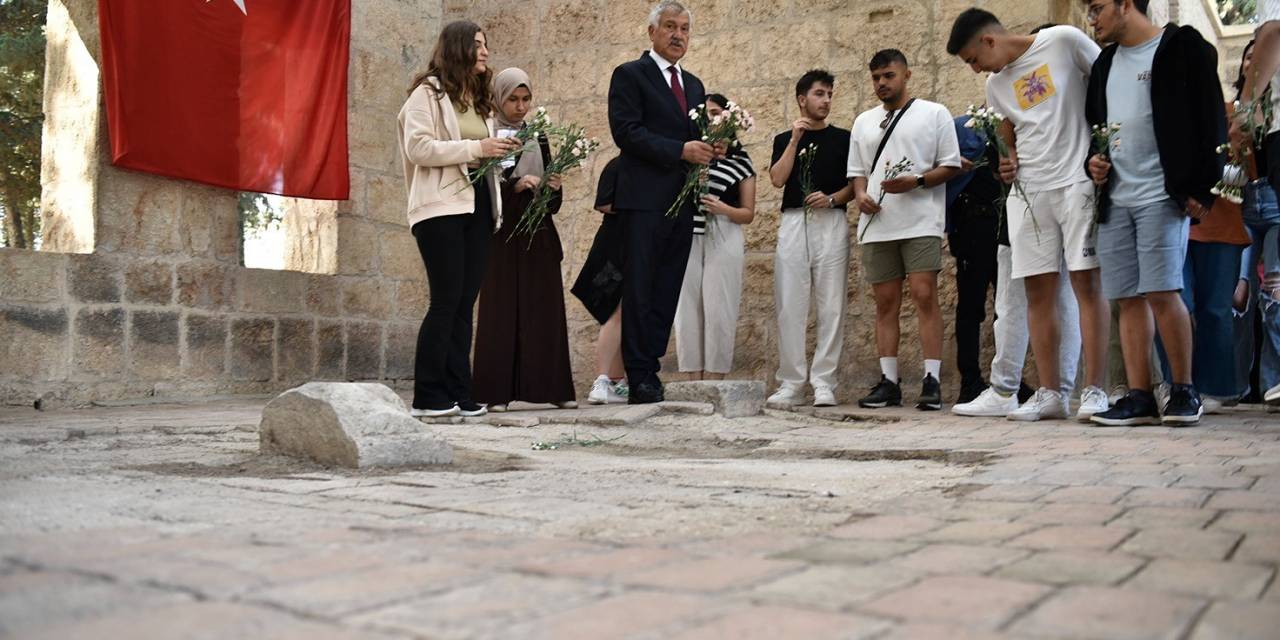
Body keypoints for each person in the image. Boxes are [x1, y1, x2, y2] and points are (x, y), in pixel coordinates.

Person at [947, 9, 1111, 422]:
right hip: (1028, 192)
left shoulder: (1063, 41)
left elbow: (1107, 84)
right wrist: (1008, 161)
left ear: (988, 41)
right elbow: (1008, 136)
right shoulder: (996, 84)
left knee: (1085, 285)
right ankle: (1050, 393)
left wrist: (1103, 150)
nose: (975, 68)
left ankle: (1095, 390)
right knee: (1037, 291)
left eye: (972, 59)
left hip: (1075, 181)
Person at [1082, 0, 1223, 426]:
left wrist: (1203, 187)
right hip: (1116, 198)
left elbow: (1210, 118)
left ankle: (1184, 390)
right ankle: (1140, 395)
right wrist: (1095, 160)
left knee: (1162, 291)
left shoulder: (1183, 47)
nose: (1093, 18)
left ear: (1126, 4)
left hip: (1164, 195)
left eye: (1098, 7)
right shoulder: (1105, 63)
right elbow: (1097, 128)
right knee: (1126, 299)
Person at [398, 21, 520, 418]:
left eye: (486, 45)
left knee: (465, 303)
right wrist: (477, 146)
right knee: (445, 301)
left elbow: (475, 152)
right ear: (459, 47)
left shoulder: (477, 99)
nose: (485, 52)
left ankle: (459, 393)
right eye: (478, 45)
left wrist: (498, 153)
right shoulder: (427, 93)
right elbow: (418, 147)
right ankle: (429, 396)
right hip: (440, 209)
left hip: (479, 205)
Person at [607, 1, 716, 404]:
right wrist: (680, 151)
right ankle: (639, 375)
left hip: (682, 202)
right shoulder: (630, 75)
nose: (678, 35)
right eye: (670, 26)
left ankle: (651, 365)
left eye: (685, 29)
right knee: (640, 287)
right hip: (643, 200)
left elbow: (697, 136)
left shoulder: (695, 86)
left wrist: (713, 146)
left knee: (667, 287)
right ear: (651, 32)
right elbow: (627, 132)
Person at [848, 50, 962, 410]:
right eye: (876, 77)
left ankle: (931, 380)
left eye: (889, 75)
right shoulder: (863, 121)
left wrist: (918, 181)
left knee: (925, 294)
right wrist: (861, 194)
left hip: (921, 219)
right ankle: (889, 381)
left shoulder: (934, 113)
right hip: (878, 222)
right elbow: (857, 172)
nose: (882, 83)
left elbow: (952, 165)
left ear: (907, 74)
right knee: (885, 302)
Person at [472, 68, 576, 412]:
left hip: (537, 233)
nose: (520, 107)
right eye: (512, 99)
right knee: (501, 311)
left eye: (525, 99)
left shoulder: (537, 136)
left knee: (543, 310)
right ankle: (495, 393)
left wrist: (552, 187)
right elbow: (481, 189)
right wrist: (514, 186)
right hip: (502, 234)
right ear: (498, 100)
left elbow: (554, 203)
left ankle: (552, 388)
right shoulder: (488, 134)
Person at [766, 69, 854, 408]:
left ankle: (824, 382)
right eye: (820, 94)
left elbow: (854, 184)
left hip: (831, 221)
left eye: (830, 94)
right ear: (802, 99)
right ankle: (790, 382)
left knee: (832, 304)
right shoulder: (783, 139)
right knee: (790, 303)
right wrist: (793, 140)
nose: (826, 100)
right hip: (793, 222)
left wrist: (832, 198)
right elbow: (776, 179)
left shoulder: (844, 138)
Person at [674, 94, 757, 380]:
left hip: (724, 232)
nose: (711, 118)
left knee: (719, 306)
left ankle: (715, 379)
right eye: (706, 113)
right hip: (688, 234)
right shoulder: (689, 154)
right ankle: (693, 381)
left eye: (716, 112)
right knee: (686, 308)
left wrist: (724, 208)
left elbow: (749, 212)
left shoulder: (741, 159)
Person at [1231, 41, 1280, 406]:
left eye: (1256, 56)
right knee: (1238, 297)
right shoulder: (1234, 113)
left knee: (1274, 293)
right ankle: (1238, 384)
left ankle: (1272, 383)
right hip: (1245, 206)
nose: (1252, 62)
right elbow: (1235, 173)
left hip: (1275, 204)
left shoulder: (1275, 111)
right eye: (1247, 58)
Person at [945, 113, 1002, 405]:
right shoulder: (960, 126)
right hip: (971, 227)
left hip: (1004, 224)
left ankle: (1006, 380)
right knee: (970, 306)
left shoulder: (1011, 125)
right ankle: (970, 381)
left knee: (1007, 307)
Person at [571, 157, 630, 405]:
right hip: (614, 244)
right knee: (613, 311)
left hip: (633, 243)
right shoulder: (616, 165)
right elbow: (603, 203)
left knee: (625, 313)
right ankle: (602, 379)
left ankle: (617, 381)